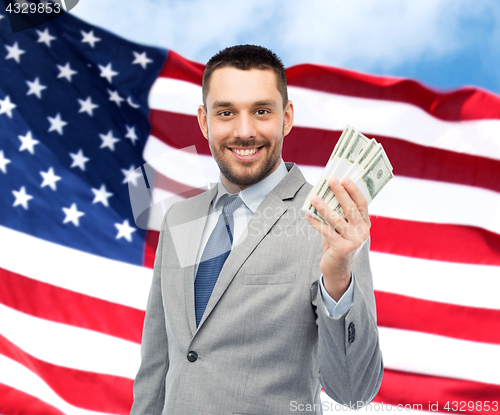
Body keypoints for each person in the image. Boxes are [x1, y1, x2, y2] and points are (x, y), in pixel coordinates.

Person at [130, 45, 383, 415]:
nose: (244, 131)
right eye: (226, 112)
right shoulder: (180, 219)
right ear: (204, 121)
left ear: (287, 117)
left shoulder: (330, 222)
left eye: (261, 111)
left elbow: (354, 391)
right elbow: (158, 364)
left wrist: (339, 276)